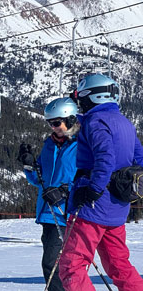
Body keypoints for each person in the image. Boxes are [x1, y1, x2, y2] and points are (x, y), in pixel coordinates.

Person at [59, 73, 143, 291]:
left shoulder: (96, 121)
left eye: (81, 97)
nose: (79, 103)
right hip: (117, 207)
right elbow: (139, 159)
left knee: (72, 266)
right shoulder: (125, 122)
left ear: (93, 97)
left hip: (92, 208)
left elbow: (105, 159)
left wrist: (93, 190)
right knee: (119, 265)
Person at [20, 97, 79, 291]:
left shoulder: (81, 146)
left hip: (68, 214)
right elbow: (40, 181)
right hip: (48, 214)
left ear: (70, 120)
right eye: (49, 123)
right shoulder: (50, 145)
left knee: (55, 265)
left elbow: (89, 178)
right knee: (54, 265)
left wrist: (64, 192)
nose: (52, 127)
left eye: (56, 123)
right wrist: (29, 165)